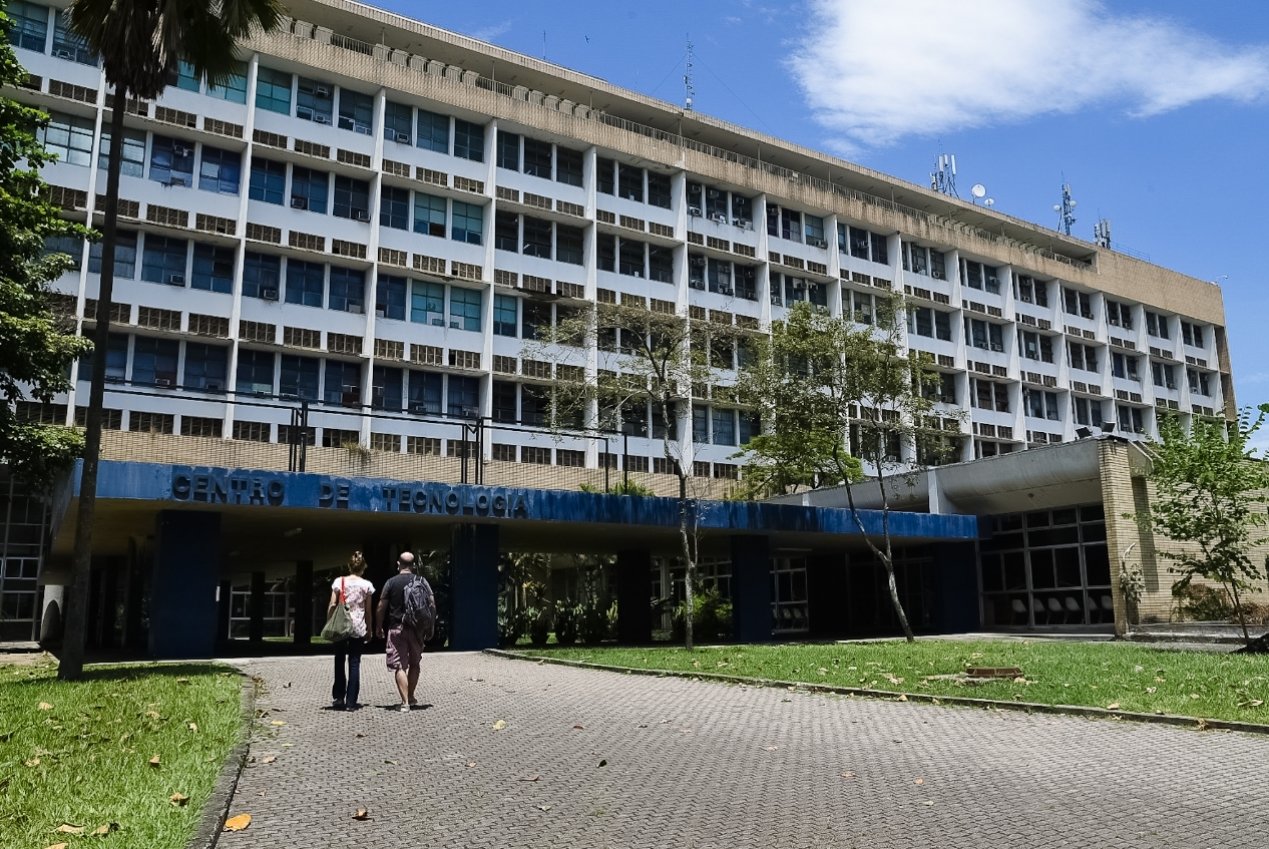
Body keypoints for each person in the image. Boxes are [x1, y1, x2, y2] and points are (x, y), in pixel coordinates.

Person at [376, 551, 423, 712]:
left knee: (400, 666)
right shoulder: (421, 581)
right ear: (413, 565)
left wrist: (378, 626)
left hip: (396, 628)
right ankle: (411, 696)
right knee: (415, 663)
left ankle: (405, 703)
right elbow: (431, 604)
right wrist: (429, 628)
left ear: (398, 564)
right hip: (417, 630)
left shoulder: (391, 583)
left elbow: (381, 606)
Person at [328, 551, 375, 710]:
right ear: (363, 568)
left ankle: (339, 697)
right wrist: (369, 629)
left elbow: (333, 605)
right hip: (358, 626)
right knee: (354, 663)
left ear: (349, 566)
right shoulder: (367, 585)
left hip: (341, 626)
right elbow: (368, 611)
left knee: (339, 661)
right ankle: (351, 701)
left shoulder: (338, 582)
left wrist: (329, 622)